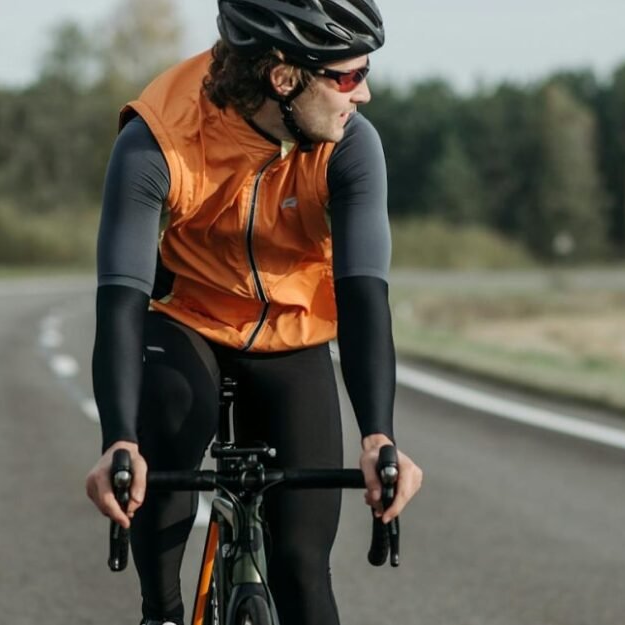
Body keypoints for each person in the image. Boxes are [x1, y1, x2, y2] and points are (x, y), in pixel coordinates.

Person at [83, 1, 423, 623]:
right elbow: (120, 297)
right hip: (187, 318)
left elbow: (363, 295)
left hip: (293, 332)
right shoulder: (159, 137)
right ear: (284, 76)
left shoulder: (350, 145)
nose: (364, 94)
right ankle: (161, 610)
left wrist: (380, 437)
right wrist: (119, 442)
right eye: (348, 76)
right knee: (164, 444)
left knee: (303, 569)